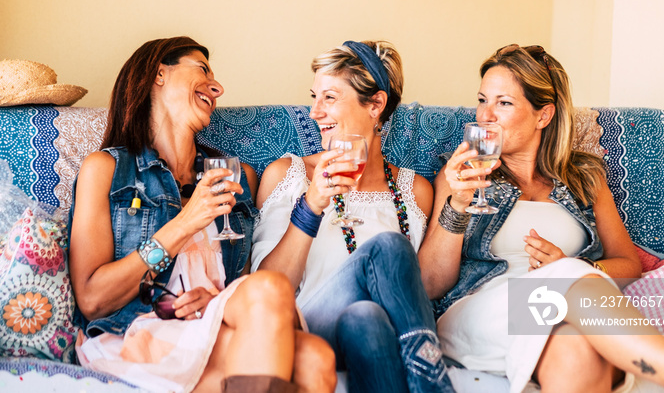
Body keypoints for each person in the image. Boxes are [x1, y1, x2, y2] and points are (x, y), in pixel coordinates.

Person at [418, 44, 664, 393]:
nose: (485, 115)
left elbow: (629, 264)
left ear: (543, 115)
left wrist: (577, 266)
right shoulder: (459, 173)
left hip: (573, 308)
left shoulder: (584, 177)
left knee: (578, 343)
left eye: (503, 103)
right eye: (482, 100)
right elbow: (429, 283)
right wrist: (457, 206)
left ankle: (625, 352)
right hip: (483, 311)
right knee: (568, 284)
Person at [68, 37, 336, 393]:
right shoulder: (106, 169)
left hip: (210, 324)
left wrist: (214, 300)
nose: (217, 86)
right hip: (136, 332)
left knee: (317, 355)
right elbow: (92, 299)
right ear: (159, 73)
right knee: (310, 356)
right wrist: (185, 222)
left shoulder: (233, 177)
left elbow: (246, 289)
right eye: (203, 69)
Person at [252, 40, 455, 393]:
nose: (314, 112)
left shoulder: (414, 190)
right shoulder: (289, 174)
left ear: (376, 103)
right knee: (388, 245)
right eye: (314, 96)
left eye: (329, 98)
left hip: (379, 331)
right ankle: (433, 383)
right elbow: (268, 288)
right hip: (310, 326)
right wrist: (311, 206)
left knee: (367, 317)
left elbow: (421, 288)